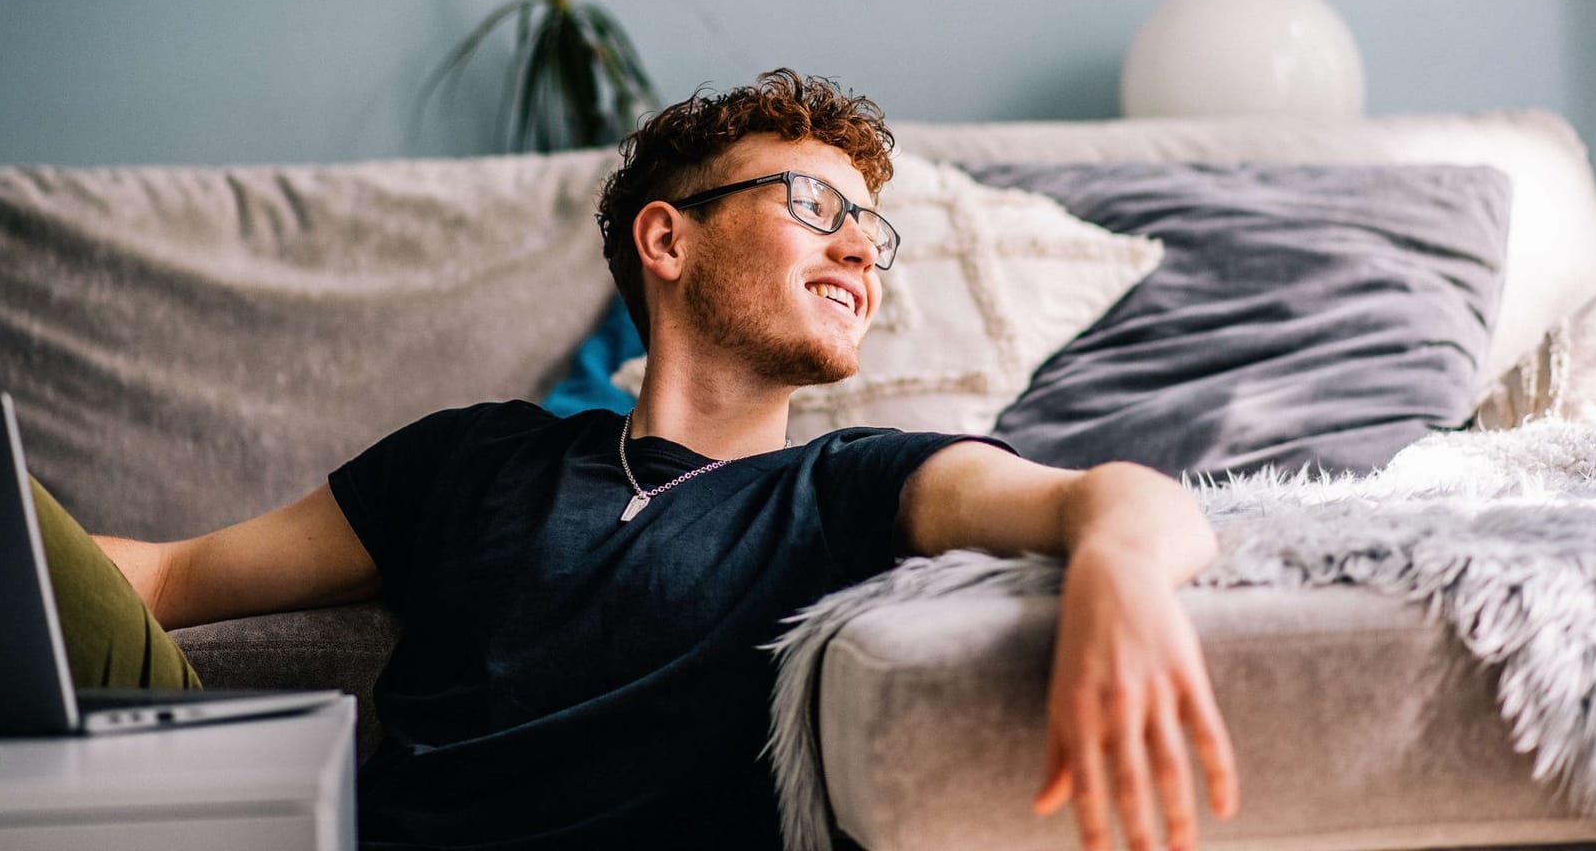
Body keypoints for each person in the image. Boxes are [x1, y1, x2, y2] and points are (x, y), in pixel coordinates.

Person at [79, 68, 1239, 851]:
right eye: (811, 202)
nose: (859, 248)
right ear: (667, 237)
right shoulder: (471, 456)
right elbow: (175, 581)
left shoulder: (846, 485)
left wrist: (1119, 575)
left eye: (872, 231)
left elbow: (1117, 498)